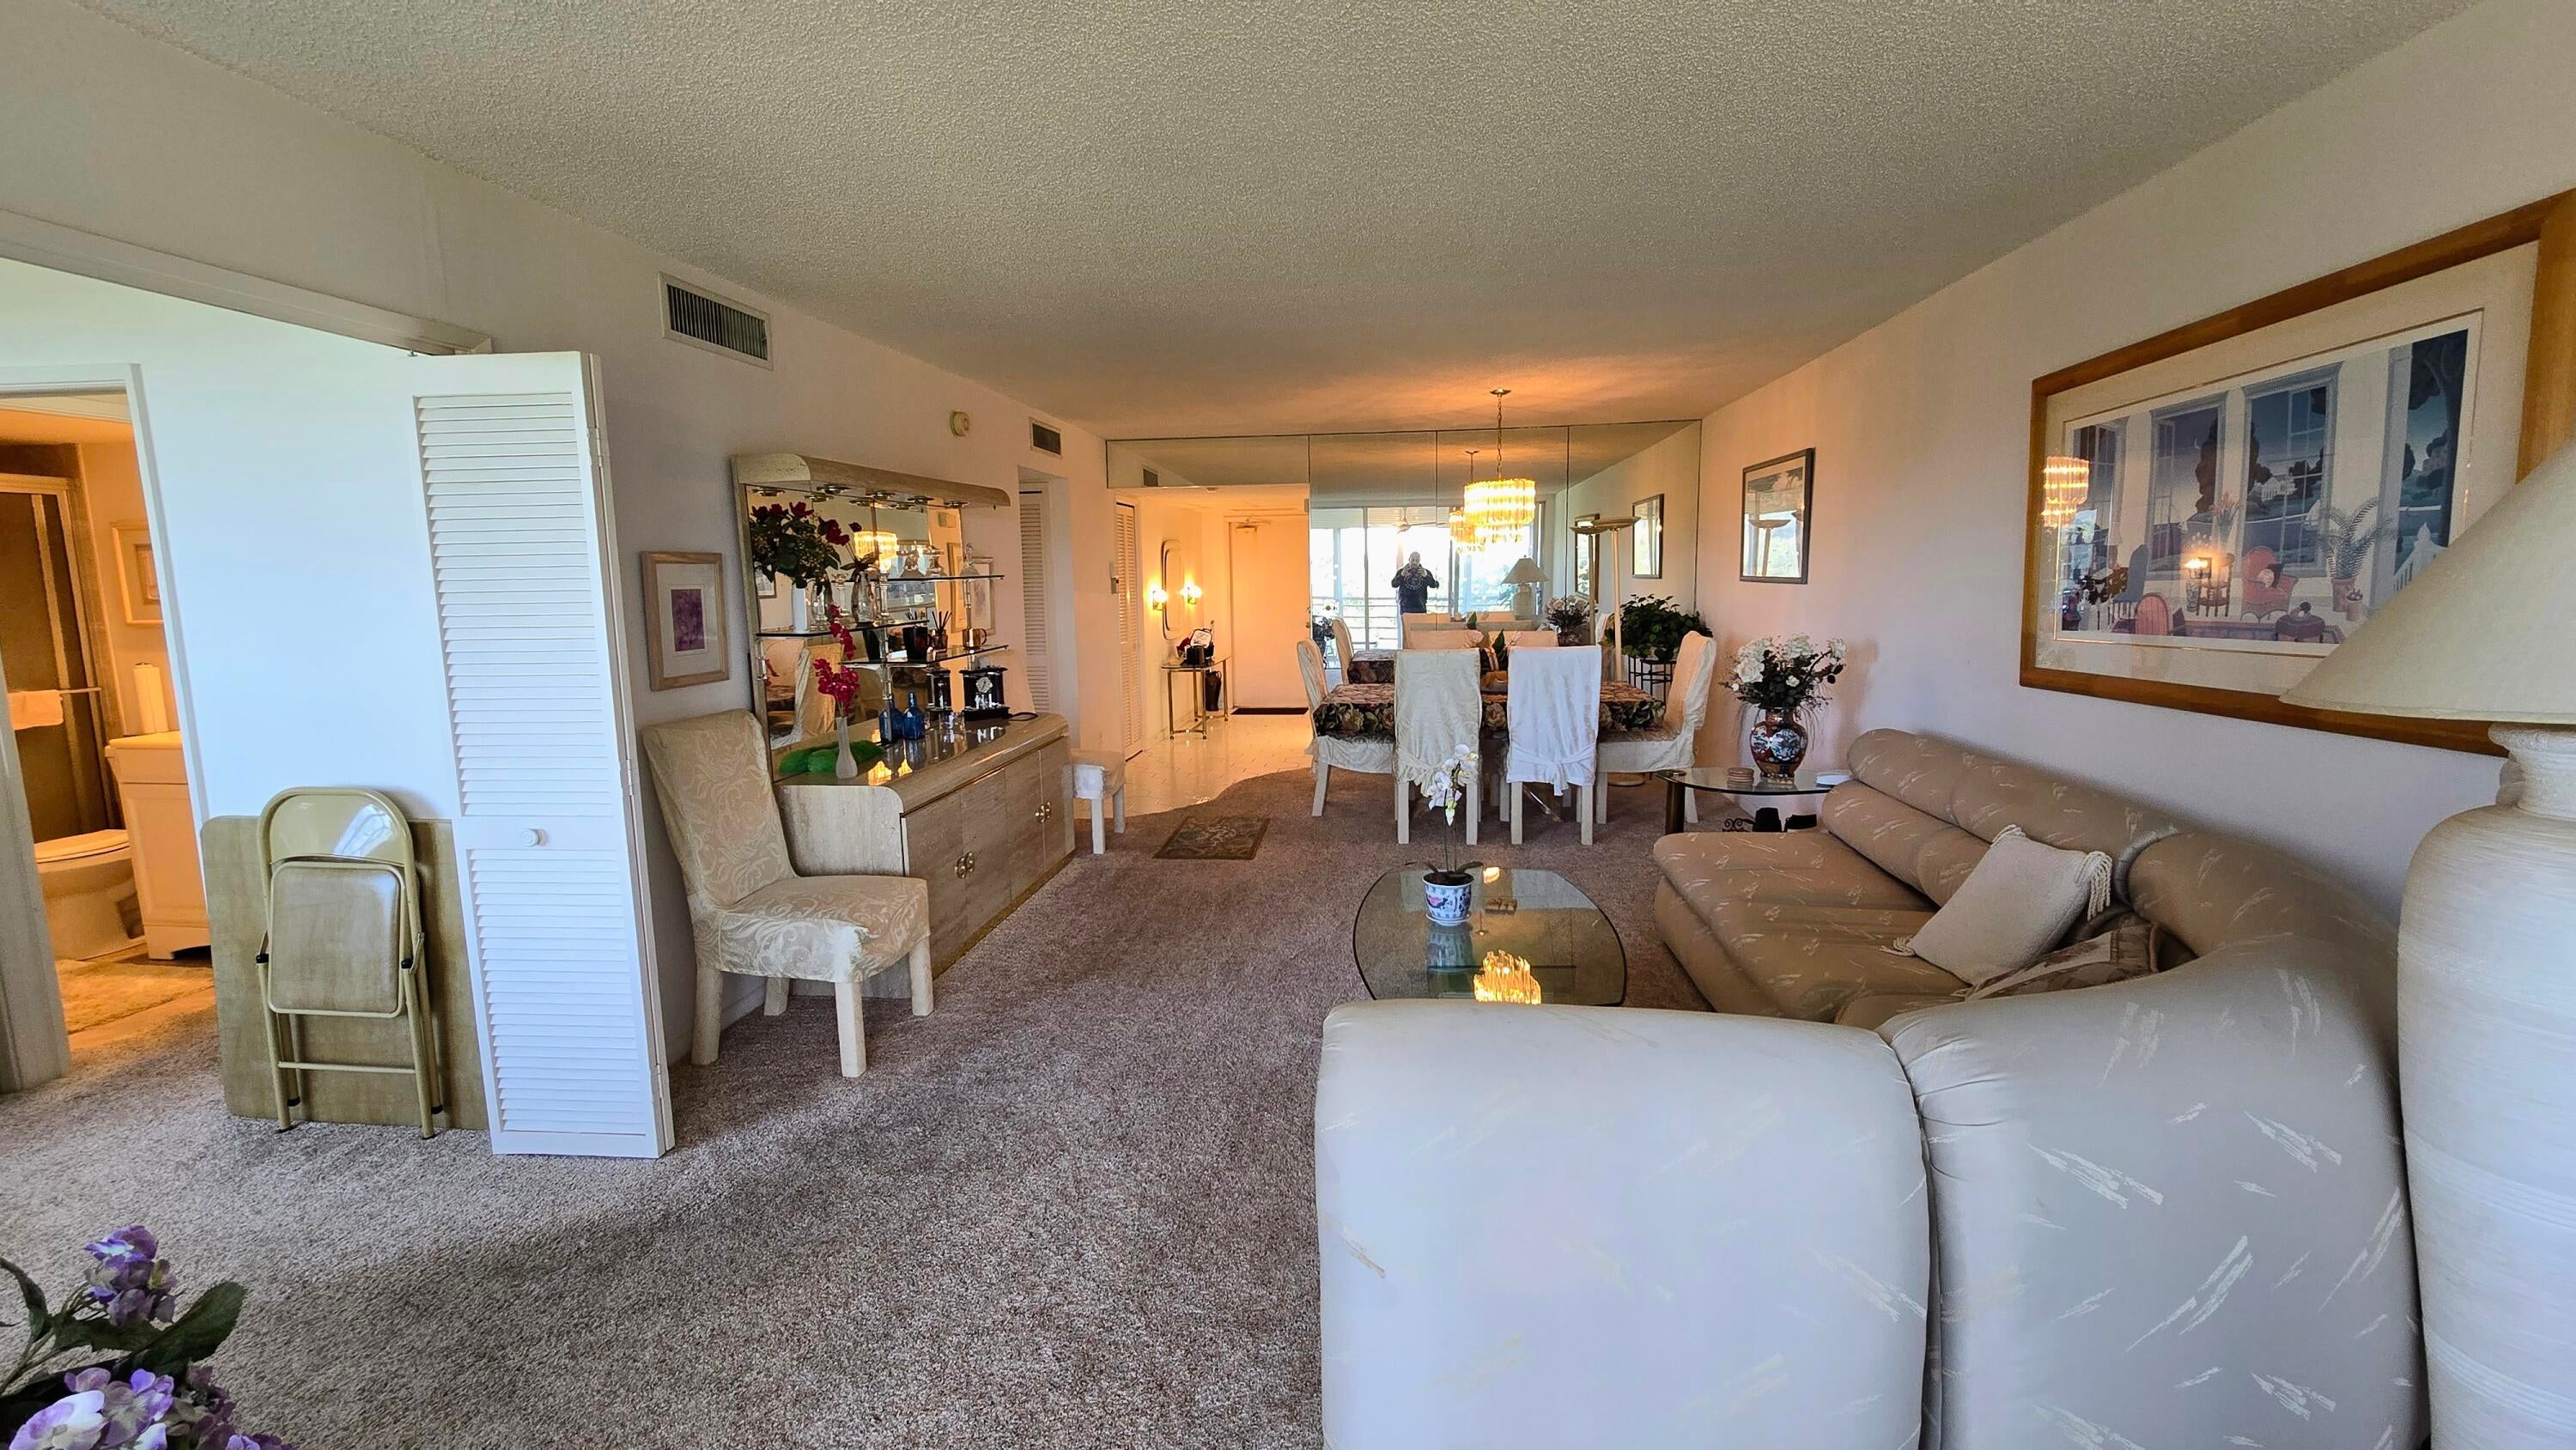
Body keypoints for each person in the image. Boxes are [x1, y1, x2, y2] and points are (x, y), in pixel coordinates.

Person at [1390, 552, 1440, 616]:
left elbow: (1434, 585)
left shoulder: (1425, 572)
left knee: (1420, 623)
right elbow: (1394, 584)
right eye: (1412, 560)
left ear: (1419, 561)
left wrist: (1426, 576)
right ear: (1409, 560)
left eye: (1417, 560)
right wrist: (1402, 575)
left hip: (1420, 607)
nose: (1414, 562)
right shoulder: (1401, 571)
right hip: (1405, 608)